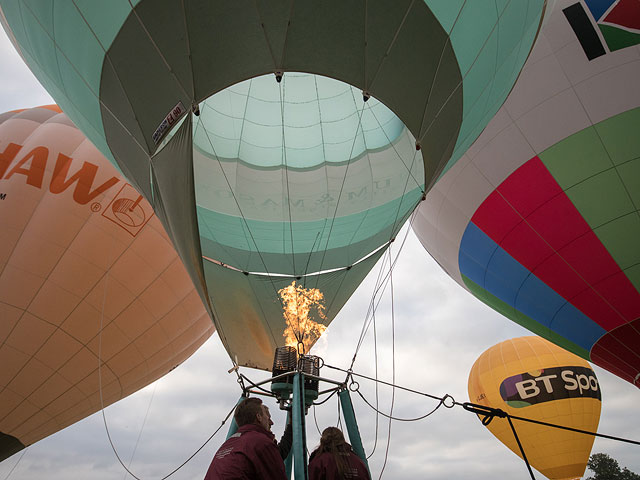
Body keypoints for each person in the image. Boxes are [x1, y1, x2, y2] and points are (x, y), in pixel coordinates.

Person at [204, 397, 291, 480]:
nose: (272, 423)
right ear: (259, 417)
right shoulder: (261, 442)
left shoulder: (229, 443)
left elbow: (275, 457)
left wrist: (291, 426)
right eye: (268, 418)